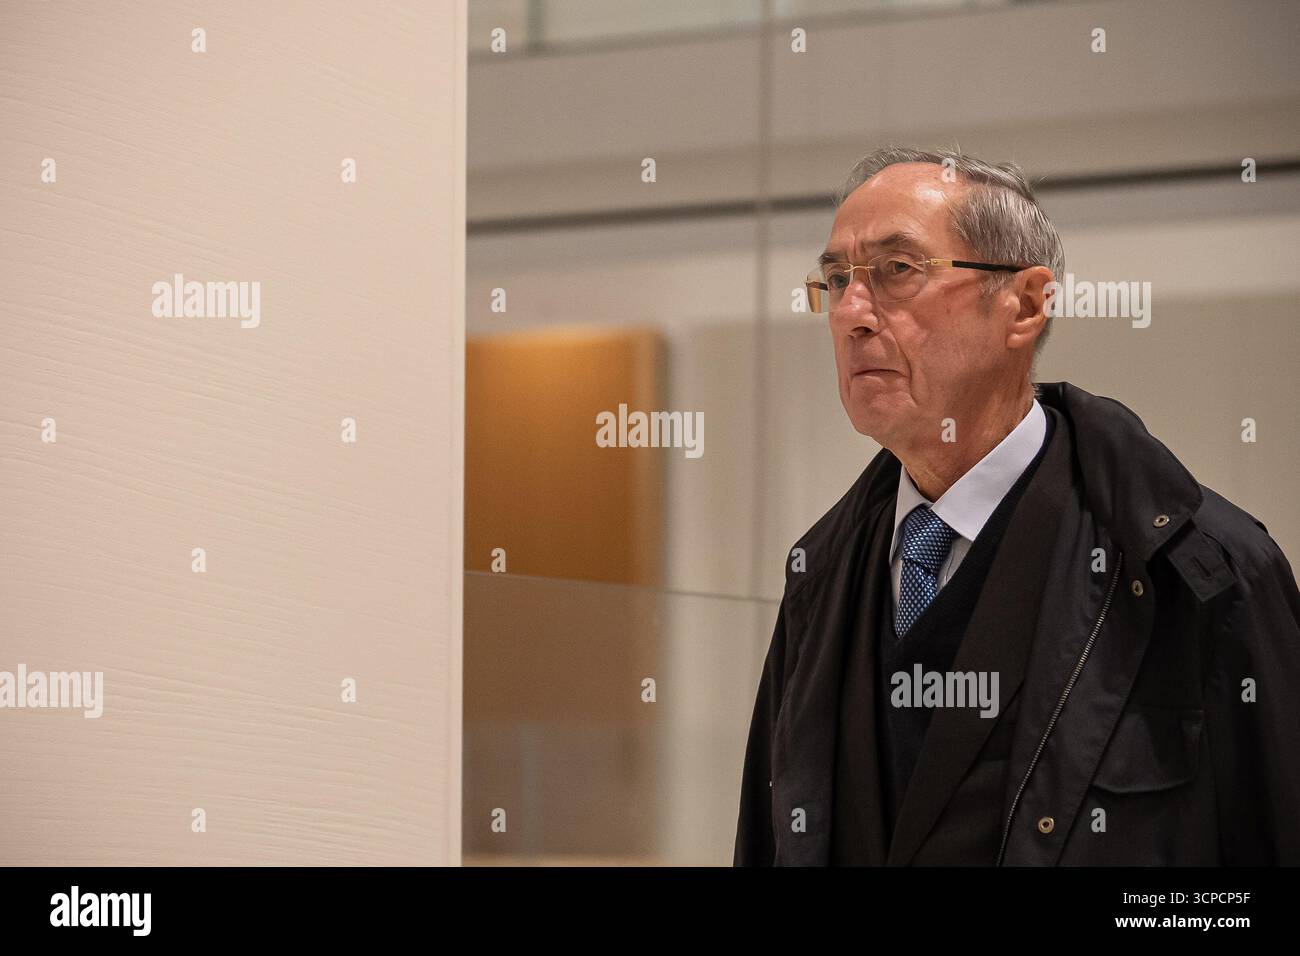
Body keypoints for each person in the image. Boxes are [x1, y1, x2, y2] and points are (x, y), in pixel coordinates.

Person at [733, 146, 1300, 866]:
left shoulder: (1201, 570)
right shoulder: (821, 571)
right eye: (837, 279)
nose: (850, 314)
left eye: (896, 271)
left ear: (1025, 305)